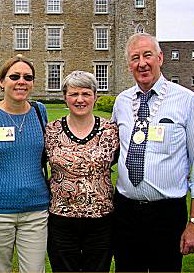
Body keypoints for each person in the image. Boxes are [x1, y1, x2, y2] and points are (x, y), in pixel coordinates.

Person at [112, 32, 194, 272]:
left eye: (148, 55)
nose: (142, 63)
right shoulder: (122, 102)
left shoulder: (185, 100)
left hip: (166, 214)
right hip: (125, 212)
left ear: (160, 58)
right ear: (129, 65)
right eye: (135, 58)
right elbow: (109, 151)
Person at [0, 54, 49, 273]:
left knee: (34, 269)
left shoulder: (40, 112)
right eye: (14, 76)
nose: (21, 81)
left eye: (28, 77)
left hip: (36, 209)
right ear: (2, 81)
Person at [45, 71, 119, 272]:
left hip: (101, 219)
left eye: (86, 94)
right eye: (74, 94)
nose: (80, 100)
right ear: (65, 97)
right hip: (61, 219)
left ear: (95, 96)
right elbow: (33, 163)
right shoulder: (51, 131)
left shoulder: (110, 131)